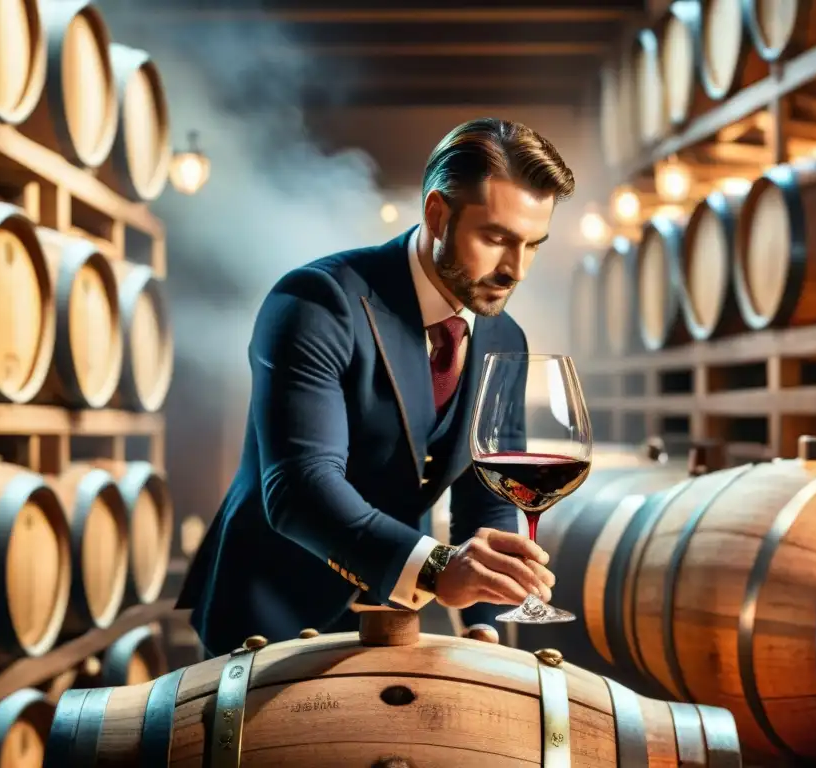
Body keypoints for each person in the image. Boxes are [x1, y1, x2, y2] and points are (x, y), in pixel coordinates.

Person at [176, 117, 576, 656]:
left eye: (533, 245)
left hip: (393, 624)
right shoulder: (317, 301)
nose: (516, 269)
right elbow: (299, 488)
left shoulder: (505, 335)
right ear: (437, 213)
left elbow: (489, 497)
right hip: (267, 619)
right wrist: (437, 567)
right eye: (497, 238)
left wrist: (484, 633)